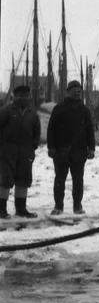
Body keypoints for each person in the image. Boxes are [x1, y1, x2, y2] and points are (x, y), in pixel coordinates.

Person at [47, 80, 95, 215]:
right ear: (67, 92)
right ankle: (58, 206)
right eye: (74, 91)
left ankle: (77, 206)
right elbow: (51, 129)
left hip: (79, 151)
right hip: (61, 151)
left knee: (78, 181)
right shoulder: (59, 109)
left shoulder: (85, 111)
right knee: (60, 180)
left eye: (79, 91)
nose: (77, 93)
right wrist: (51, 148)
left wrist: (91, 148)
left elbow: (90, 131)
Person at [0, 85, 42, 219]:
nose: (23, 98)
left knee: (24, 179)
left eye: (26, 95)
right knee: (5, 180)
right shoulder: (6, 111)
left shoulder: (32, 114)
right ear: (15, 96)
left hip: (26, 151)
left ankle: (21, 209)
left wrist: (33, 146)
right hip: (8, 151)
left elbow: (37, 131)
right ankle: (1, 209)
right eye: (20, 95)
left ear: (29, 97)